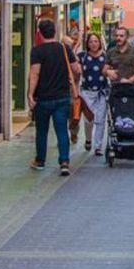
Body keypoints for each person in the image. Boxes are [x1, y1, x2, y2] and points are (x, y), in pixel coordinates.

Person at [27, 19, 81, 177]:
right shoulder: (64, 48)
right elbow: (76, 69)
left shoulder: (37, 51)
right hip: (62, 97)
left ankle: (40, 160)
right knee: (62, 130)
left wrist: (30, 94)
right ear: (55, 32)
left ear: (39, 33)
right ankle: (64, 162)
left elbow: (35, 73)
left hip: (43, 98)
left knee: (41, 131)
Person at [79, 32, 110, 155]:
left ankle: (98, 146)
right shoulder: (82, 56)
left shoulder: (106, 57)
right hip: (87, 92)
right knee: (88, 120)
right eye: (91, 41)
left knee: (101, 120)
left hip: (102, 92)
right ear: (87, 43)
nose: (93, 44)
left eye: (96, 41)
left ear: (100, 42)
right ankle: (88, 139)